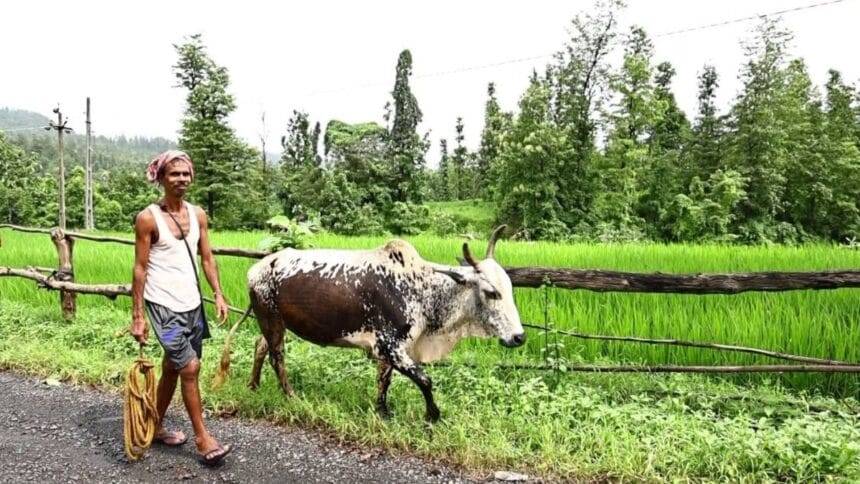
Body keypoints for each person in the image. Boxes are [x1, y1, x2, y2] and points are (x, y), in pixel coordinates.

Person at [130, 150, 233, 465]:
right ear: (161, 178)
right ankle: (203, 439)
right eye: (174, 174)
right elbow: (140, 269)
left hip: (192, 305)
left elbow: (207, 257)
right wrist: (138, 316)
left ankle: (154, 425)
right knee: (189, 368)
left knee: (174, 368)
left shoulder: (198, 214)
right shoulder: (148, 218)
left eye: (186, 173)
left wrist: (217, 292)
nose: (182, 179)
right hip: (163, 306)